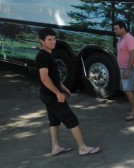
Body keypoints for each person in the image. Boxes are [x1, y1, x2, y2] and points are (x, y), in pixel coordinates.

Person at [35, 28, 100, 156]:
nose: (53, 42)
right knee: (72, 121)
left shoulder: (48, 55)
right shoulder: (42, 56)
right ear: (41, 41)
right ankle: (82, 148)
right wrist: (58, 93)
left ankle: (55, 147)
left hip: (47, 95)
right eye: (49, 39)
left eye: (54, 39)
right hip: (52, 96)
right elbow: (44, 78)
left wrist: (62, 87)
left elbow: (52, 76)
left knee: (54, 121)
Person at [113, 20, 134, 121]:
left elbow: (133, 54)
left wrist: (127, 70)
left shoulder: (129, 38)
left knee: (126, 89)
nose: (114, 30)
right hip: (124, 67)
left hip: (129, 68)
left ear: (122, 28)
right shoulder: (121, 38)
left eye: (116, 28)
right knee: (132, 88)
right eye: (114, 29)